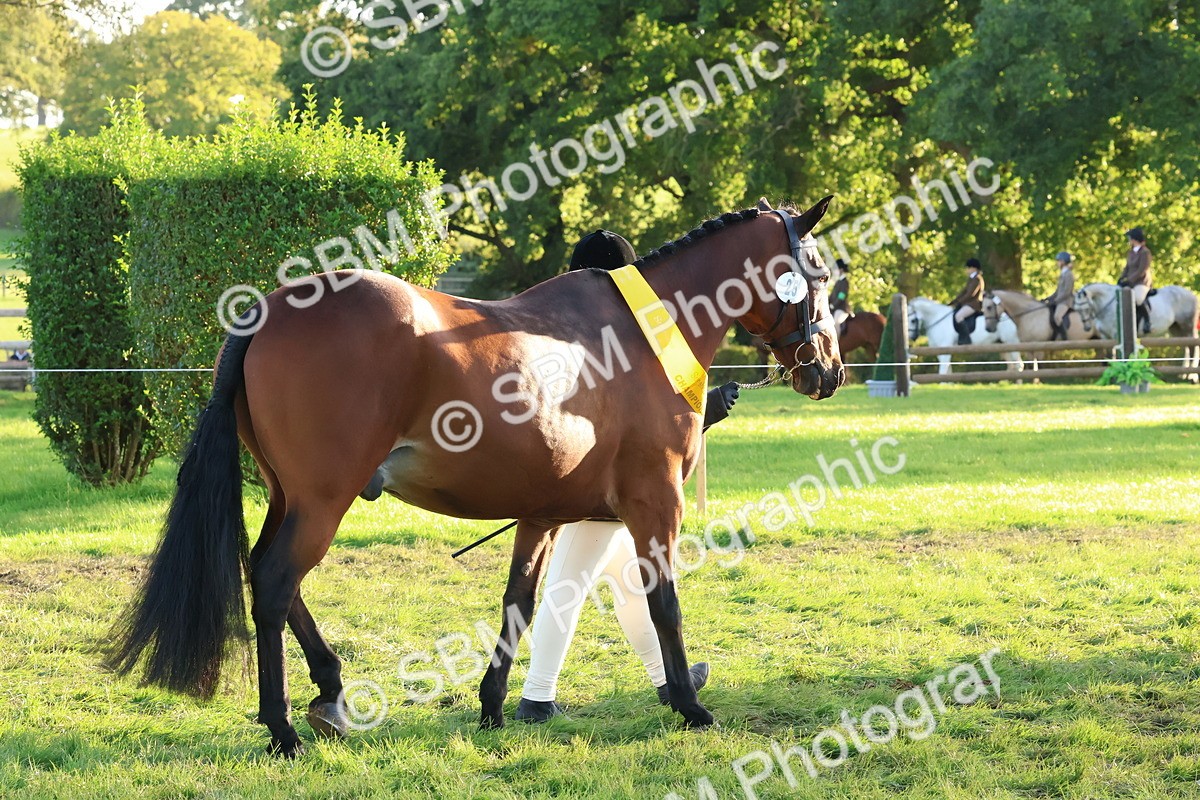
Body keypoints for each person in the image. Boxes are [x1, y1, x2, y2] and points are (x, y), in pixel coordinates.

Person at [514, 229, 740, 723]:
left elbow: (659, 413)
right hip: (595, 485)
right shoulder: (624, 333)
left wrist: (707, 409)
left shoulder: (605, 329)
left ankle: (666, 677)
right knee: (567, 585)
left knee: (627, 581)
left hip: (618, 487)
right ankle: (536, 696)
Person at [1118, 227, 1153, 334]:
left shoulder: (1145, 252)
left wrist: (1129, 280)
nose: (1129, 240)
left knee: (1138, 299)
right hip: (1131, 282)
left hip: (1141, 282)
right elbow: (1127, 267)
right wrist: (1121, 278)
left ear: (1134, 239)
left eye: (1130, 238)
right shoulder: (1131, 252)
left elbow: (1142, 269)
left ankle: (1147, 322)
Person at [951, 258, 985, 345]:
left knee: (959, 316)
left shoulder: (977, 278)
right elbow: (963, 292)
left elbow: (970, 294)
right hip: (968, 303)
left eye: (968, 268)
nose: (966, 270)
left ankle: (966, 339)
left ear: (973, 268)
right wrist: (954, 301)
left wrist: (960, 302)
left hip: (974, 305)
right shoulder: (971, 278)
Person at [1042, 251, 1075, 340]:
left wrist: (1056, 300)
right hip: (1060, 300)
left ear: (1063, 262)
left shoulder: (1068, 274)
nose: (1058, 263)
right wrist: (1048, 299)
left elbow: (1067, 292)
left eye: (1059, 261)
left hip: (1066, 301)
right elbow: (1058, 291)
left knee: (1057, 316)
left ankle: (1065, 337)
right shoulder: (1063, 274)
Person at [830, 259, 851, 334]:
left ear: (841, 269)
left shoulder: (844, 282)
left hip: (841, 309)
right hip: (834, 308)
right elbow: (832, 295)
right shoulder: (838, 281)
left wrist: (833, 305)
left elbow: (841, 296)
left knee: (836, 322)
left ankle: (836, 344)